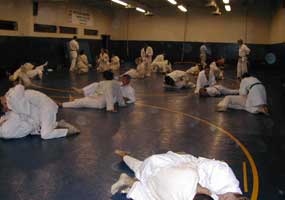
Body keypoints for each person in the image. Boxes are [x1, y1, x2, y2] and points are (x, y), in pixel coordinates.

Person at [111, 150, 248, 200]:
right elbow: (197, 167)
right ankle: (130, 176)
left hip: (178, 186)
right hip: (183, 167)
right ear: (239, 197)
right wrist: (199, 187)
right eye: (228, 199)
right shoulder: (223, 173)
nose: (223, 199)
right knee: (147, 166)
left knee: (146, 174)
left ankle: (130, 179)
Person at [0, 84, 80, 139]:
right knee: (35, 130)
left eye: (5, 108)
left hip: (46, 107)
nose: (7, 110)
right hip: (39, 107)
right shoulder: (10, 95)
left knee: (45, 134)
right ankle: (57, 124)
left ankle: (69, 131)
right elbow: (19, 86)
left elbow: (23, 115)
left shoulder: (13, 101)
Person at [61, 70, 126, 112]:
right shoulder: (115, 83)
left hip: (99, 103)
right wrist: (122, 103)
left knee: (81, 103)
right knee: (94, 87)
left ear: (104, 77)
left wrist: (110, 108)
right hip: (98, 99)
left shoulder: (107, 84)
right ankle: (76, 96)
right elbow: (119, 94)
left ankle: (62, 104)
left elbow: (108, 94)